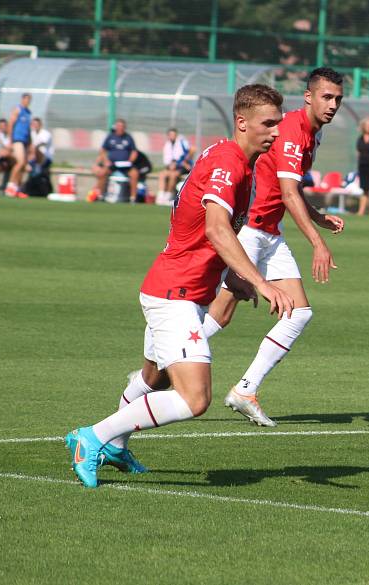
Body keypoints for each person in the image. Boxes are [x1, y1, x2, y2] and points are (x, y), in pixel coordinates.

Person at [64, 84, 294, 489]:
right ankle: (92, 437)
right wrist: (261, 280)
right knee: (195, 399)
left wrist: (233, 278)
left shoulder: (235, 161)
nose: (276, 132)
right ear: (242, 123)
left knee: (156, 378)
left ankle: (115, 444)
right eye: (268, 123)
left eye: (279, 122)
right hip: (175, 295)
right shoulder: (230, 163)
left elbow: (205, 235)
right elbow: (217, 229)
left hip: (178, 287)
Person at [204, 67, 345, 427]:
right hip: (249, 231)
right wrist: (318, 242)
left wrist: (316, 217)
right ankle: (153, 371)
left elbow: (290, 191)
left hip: (270, 231)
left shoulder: (312, 133)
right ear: (309, 97)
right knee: (220, 314)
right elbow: (286, 191)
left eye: (338, 99)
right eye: (327, 97)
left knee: (298, 312)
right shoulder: (295, 130)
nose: (333, 105)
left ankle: (245, 390)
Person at [91, 118, 138, 202]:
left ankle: (133, 198)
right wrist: (106, 161)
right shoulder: (110, 137)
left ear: (125, 127)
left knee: (134, 174)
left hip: (125, 165)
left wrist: (130, 161)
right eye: (118, 126)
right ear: (115, 127)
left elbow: (134, 152)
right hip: (112, 164)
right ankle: (100, 195)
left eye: (122, 126)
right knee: (103, 173)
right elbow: (102, 151)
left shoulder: (128, 137)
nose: (120, 128)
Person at [157, 127, 195, 205]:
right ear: (168, 136)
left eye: (174, 135)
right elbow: (167, 160)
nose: (172, 136)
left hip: (184, 167)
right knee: (162, 174)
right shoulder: (167, 144)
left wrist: (184, 161)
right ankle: (161, 196)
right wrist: (170, 165)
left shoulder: (182, 142)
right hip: (172, 167)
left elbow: (192, 150)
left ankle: (168, 196)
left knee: (173, 175)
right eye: (170, 135)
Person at [4, 93, 33, 198]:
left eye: (29, 100)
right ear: (22, 99)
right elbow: (11, 124)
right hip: (17, 140)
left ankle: (18, 188)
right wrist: (10, 141)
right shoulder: (17, 109)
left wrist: (30, 144)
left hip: (25, 141)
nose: (28, 102)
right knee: (20, 163)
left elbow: (28, 130)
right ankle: (10, 186)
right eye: (26, 99)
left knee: (24, 165)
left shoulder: (28, 113)